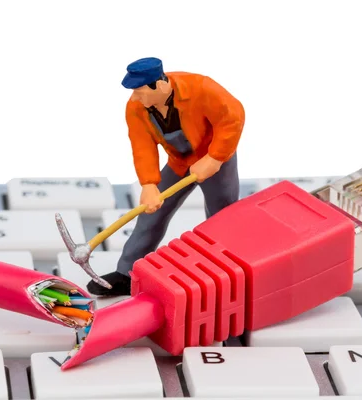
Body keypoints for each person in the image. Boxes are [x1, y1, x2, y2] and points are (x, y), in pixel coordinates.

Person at [87, 57, 245, 296]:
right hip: (180, 163)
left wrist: (215, 157)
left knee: (220, 218)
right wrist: (149, 184)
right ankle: (128, 273)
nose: (135, 98)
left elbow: (232, 118)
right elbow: (142, 147)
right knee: (151, 214)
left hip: (214, 161)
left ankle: (225, 274)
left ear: (159, 85)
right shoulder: (136, 108)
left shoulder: (201, 88)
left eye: (139, 92)